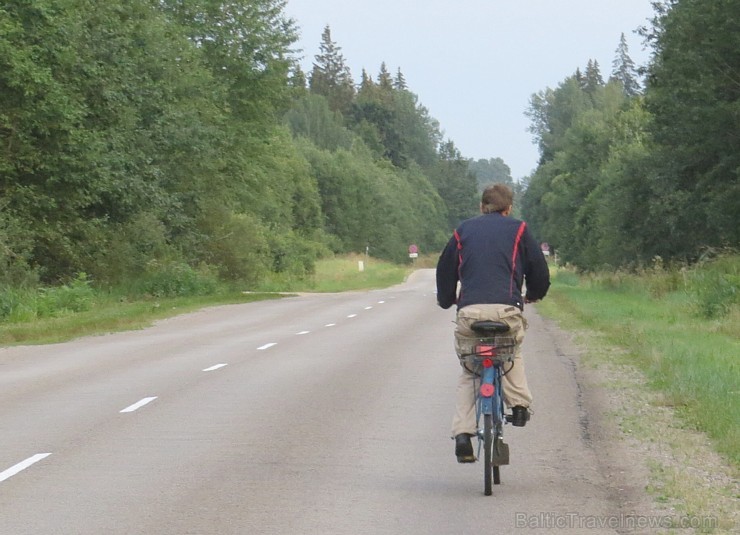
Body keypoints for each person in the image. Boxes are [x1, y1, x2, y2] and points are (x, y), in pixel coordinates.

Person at [436, 183, 550, 463]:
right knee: (511, 352)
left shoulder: (462, 230)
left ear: (481, 206)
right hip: (506, 311)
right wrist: (533, 294)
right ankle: (520, 404)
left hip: (471, 313)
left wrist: (447, 298)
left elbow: (445, 269)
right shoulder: (519, 229)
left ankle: (463, 433)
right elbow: (539, 270)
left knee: (472, 369)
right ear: (509, 208)